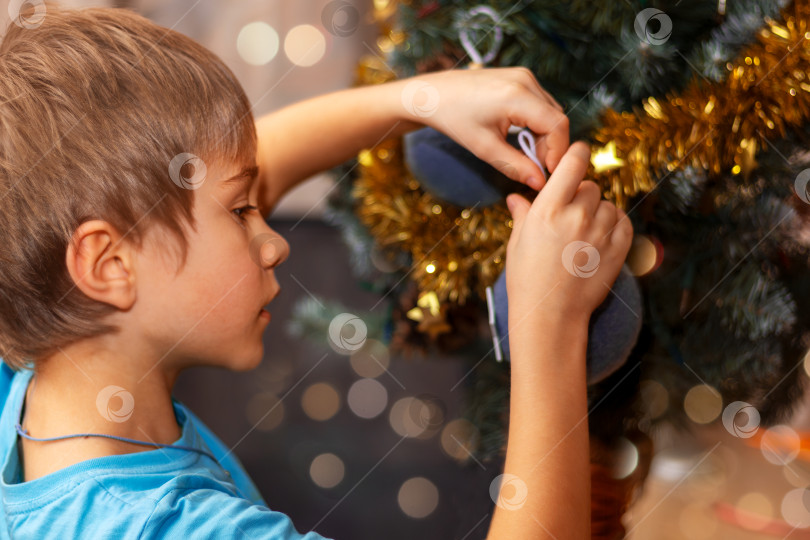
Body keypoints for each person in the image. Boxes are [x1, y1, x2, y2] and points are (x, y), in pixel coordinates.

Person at [0, 6, 632, 539]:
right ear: (109, 265)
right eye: (242, 210)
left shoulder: (35, 380)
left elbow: (235, 171)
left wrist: (419, 100)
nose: (273, 243)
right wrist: (550, 327)